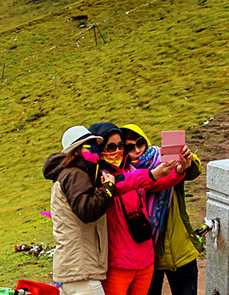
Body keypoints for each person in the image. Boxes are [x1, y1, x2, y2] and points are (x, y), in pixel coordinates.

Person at [43, 125, 161, 295]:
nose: (94, 152)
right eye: (89, 147)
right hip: (80, 269)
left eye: (95, 147)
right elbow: (87, 210)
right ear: (75, 151)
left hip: (77, 267)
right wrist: (108, 189)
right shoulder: (75, 174)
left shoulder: (71, 173)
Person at [88, 122, 186, 295]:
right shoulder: (98, 178)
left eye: (120, 146)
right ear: (99, 149)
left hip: (146, 262)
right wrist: (151, 174)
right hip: (117, 264)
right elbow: (122, 184)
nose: (117, 150)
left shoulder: (132, 169)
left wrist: (179, 169)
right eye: (110, 147)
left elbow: (158, 183)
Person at [114, 124, 202, 295]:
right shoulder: (126, 176)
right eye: (130, 147)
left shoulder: (164, 158)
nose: (138, 150)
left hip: (179, 248)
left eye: (140, 143)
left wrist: (186, 161)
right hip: (146, 256)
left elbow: (193, 172)